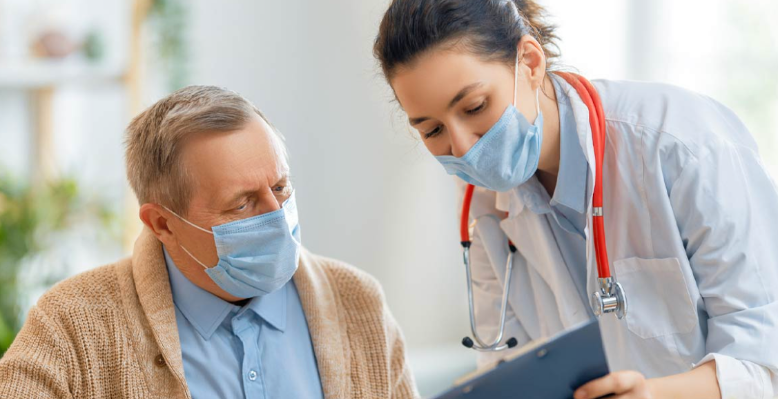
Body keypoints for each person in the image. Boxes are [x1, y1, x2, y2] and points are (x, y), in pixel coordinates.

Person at [372, 1, 778, 398]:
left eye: (475, 106)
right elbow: (508, 371)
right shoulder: (483, 208)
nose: (461, 148)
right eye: (432, 130)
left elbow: (764, 364)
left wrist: (652, 395)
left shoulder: (682, 145)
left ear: (529, 62)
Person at [0, 86, 419, 399]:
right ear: (162, 223)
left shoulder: (358, 303)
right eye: (241, 204)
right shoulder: (73, 325)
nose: (275, 214)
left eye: (281, 186)